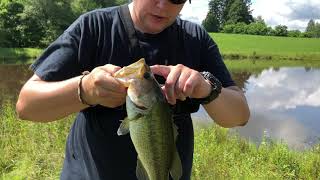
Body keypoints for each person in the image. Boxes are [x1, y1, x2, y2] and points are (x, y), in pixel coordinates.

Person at [16, 0, 250, 179]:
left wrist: (206, 88)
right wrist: (84, 89)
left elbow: (239, 116)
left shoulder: (195, 38)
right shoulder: (94, 27)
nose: (162, 5)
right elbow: (27, 106)